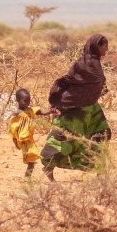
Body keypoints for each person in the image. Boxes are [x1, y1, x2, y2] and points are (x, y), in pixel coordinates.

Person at [41, 34, 112, 177]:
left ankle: (99, 168)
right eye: (104, 46)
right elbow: (68, 80)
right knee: (69, 137)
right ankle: (49, 164)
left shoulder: (95, 63)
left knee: (102, 133)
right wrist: (58, 100)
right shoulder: (82, 64)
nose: (107, 49)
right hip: (77, 106)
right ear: (96, 46)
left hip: (92, 106)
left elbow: (97, 84)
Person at [7, 87, 42, 178]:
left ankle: (28, 176)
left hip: (30, 140)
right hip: (23, 140)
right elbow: (13, 129)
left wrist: (51, 111)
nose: (27, 103)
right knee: (31, 156)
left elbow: (39, 111)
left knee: (32, 159)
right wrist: (15, 142)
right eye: (25, 101)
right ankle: (27, 177)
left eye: (29, 101)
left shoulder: (29, 110)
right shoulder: (17, 114)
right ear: (18, 100)